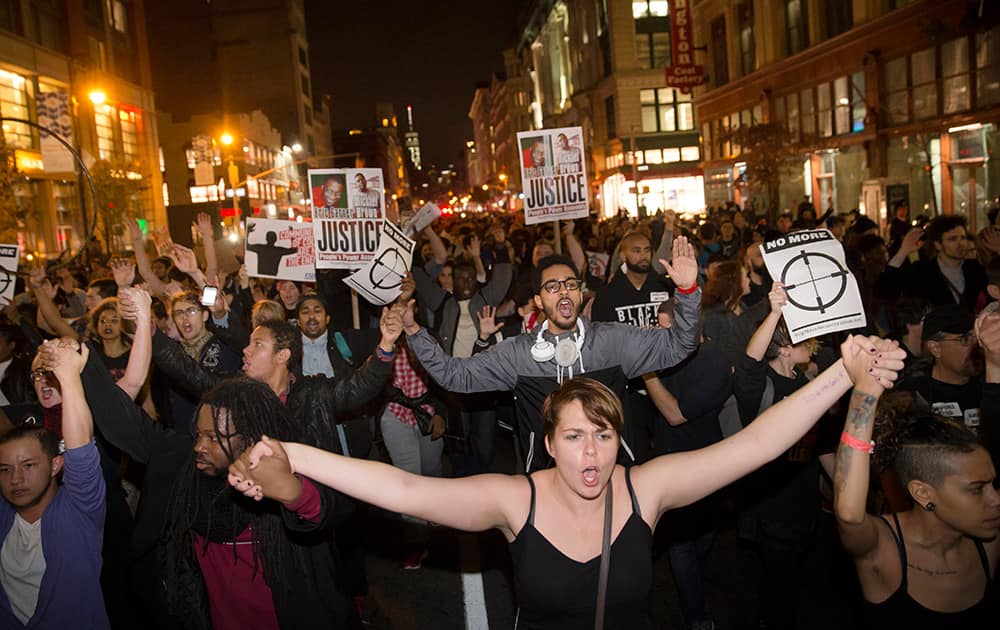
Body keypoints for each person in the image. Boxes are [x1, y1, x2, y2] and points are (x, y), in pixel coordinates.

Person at [229, 335, 903, 629]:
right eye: (574, 436)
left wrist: (845, 374)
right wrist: (293, 452)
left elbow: (756, 443)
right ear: (546, 444)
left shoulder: (649, 488)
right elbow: (402, 491)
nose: (592, 453)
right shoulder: (513, 498)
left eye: (605, 435)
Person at [402, 237, 702, 472]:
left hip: (614, 477)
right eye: (553, 286)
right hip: (548, 484)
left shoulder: (613, 340)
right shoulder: (519, 354)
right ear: (538, 300)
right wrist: (414, 331)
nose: (564, 291)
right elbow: (455, 376)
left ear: (580, 293)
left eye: (571, 284)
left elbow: (679, 345)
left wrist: (687, 292)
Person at [833, 388, 1000, 627]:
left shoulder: (989, 544)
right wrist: (865, 391)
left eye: (994, 485)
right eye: (977, 489)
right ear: (922, 493)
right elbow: (849, 515)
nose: (995, 499)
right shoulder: (883, 548)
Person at [0, 339, 108, 629]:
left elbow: (81, 452)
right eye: (5, 469)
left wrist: (69, 377)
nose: (16, 478)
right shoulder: (4, 515)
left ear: (56, 464)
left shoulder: (76, 512)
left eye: (29, 465)